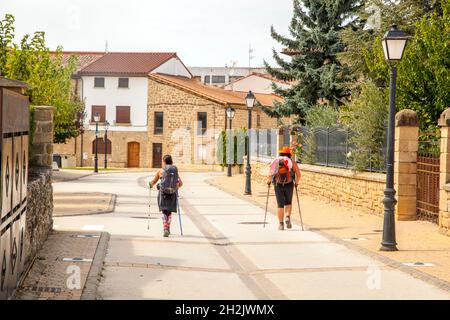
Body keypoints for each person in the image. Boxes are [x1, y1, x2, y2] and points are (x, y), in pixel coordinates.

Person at [267, 146, 301, 230]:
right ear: (289, 154)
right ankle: (288, 217)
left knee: (280, 204)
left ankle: (281, 224)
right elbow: (298, 174)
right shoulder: (292, 162)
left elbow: (270, 174)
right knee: (288, 202)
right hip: (289, 184)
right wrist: (296, 183)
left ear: (280, 153)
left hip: (278, 184)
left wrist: (269, 182)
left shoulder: (275, 161)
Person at [149, 155, 183, 237]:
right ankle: (168, 228)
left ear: (164, 161)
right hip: (172, 194)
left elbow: (152, 183)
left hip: (163, 194)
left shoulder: (160, 171)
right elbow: (181, 184)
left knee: (164, 211)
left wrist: (150, 184)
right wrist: (175, 189)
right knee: (169, 212)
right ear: (171, 161)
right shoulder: (174, 171)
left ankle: (165, 228)